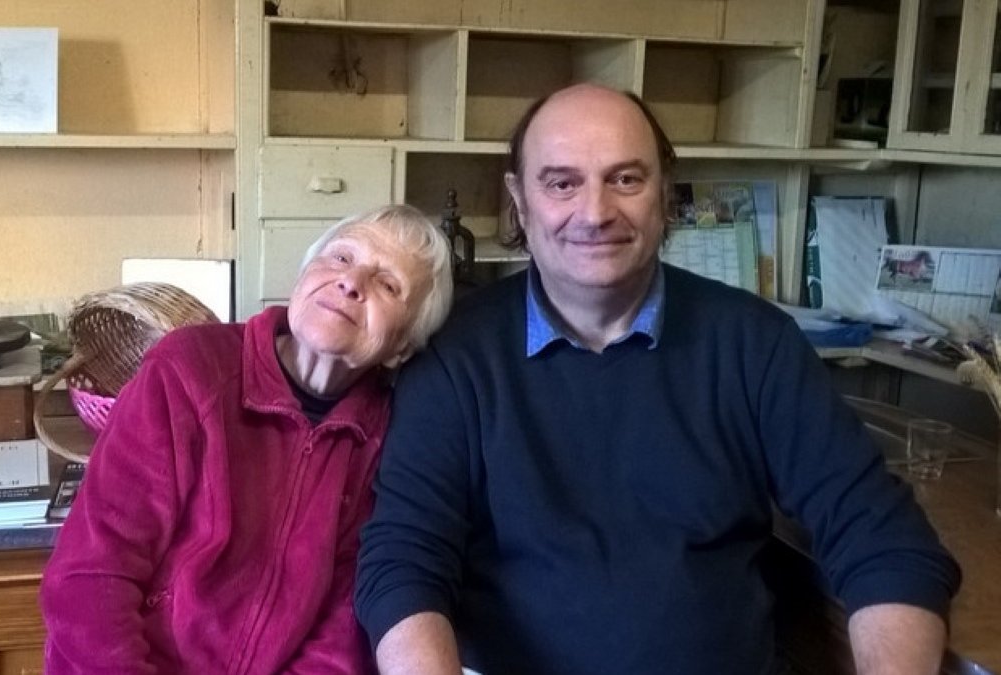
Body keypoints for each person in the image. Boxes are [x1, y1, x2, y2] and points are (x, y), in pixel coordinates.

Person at [354, 85, 961, 675]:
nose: (595, 213)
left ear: (666, 192)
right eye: (562, 183)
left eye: (626, 179)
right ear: (519, 198)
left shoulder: (755, 343)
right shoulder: (456, 355)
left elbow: (882, 537)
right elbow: (403, 564)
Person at [41, 203, 454, 674]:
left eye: (388, 284)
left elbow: (339, 634)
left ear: (402, 347)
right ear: (303, 277)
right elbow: (90, 577)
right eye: (341, 257)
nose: (351, 282)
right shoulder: (189, 369)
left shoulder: (385, 437)